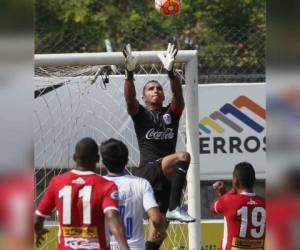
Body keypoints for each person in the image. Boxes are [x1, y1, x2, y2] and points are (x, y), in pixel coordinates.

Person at [123, 43, 195, 250]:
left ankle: (171, 211)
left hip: (166, 175)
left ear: (164, 95)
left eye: (158, 88)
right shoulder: (141, 114)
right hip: (148, 170)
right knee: (183, 155)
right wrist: (129, 74)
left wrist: (171, 73)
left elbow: (179, 98)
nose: (156, 90)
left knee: (159, 232)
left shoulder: (171, 113)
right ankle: (174, 207)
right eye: (151, 89)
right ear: (144, 96)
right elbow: (129, 99)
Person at [34, 137, 129, 250]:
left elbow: (37, 219)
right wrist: (124, 247)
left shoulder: (57, 182)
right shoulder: (106, 185)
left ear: (74, 157)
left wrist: (38, 230)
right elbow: (112, 216)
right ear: (98, 159)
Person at [100, 138, 165, 250]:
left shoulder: (97, 184)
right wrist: (161, 230)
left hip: (106, 246)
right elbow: (156, 219)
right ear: (126, 160)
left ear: (103, 162)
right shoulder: (141, 183)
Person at [210, 162, 266, 250]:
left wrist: (228, 192)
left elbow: (213, 208)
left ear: (235, 181)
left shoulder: (228, 200)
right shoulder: (265, 203)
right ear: (254, 180)